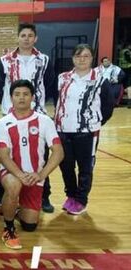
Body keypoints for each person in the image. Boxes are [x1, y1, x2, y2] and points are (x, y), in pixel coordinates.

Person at [0, 23, 57, 213]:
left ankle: (44, 195)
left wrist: (38, 105)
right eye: (23, 35)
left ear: (35, 38)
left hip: (36, 116)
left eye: (30, 35)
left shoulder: (44, 60)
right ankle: (0, 195)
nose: (27, 38)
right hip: (11, 116)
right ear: (18, 37)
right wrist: (7, 105)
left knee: (40, 157)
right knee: (5, 158)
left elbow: (50, 84)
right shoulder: (4, 60)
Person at [0, 79, 64, 249]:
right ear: (11, 97)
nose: (21, 98)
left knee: (30, 226)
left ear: (32, 97)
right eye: (17, 94)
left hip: (35, 177)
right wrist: (20, 175)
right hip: (11, 173)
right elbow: (4, 157)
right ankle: (8, 228)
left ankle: (10, 207)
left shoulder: (44, 121)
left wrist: (40, 175)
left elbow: (58, 152)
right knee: (13, 185)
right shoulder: (3, 123)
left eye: (26, 94)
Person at [54, 44, 114, 215]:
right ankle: (71, 195)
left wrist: (92, 122)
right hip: (63, 130)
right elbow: (58, 100)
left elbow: (108, 107)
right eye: (78, 56)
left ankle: (81, 200)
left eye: (86, 56)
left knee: (85, 168)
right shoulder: (63, 78)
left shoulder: (100, 79)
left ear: (92, 58)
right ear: (73, 58)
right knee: (66, 165)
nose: (82, 59)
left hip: (87, 132)